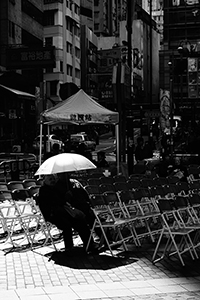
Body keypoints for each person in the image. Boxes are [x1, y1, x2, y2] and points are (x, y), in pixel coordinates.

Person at [37, 174, 99, 254]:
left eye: (53, 179)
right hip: (53, 214)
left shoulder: (55, 188)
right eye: (50, 179)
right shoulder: (44, 191)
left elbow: (62, 201)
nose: (52, 181)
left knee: (80, 221)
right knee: (66, 225)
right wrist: (64, 199)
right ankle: (69, 247)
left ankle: (89, 243)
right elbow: (56, 202)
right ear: (44, 180)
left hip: (63, 212)